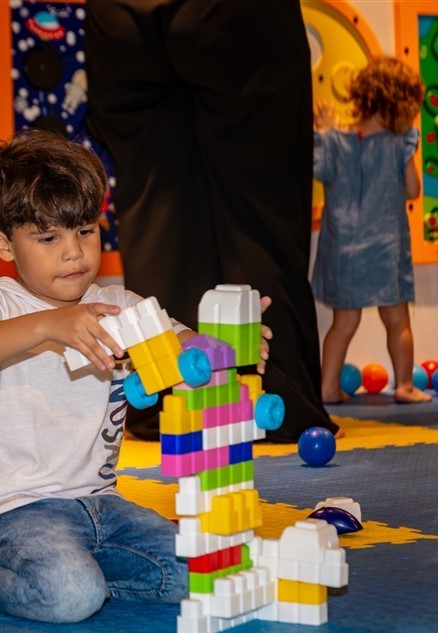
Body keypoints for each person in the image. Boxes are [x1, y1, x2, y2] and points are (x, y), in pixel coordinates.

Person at [0, 129, 273, 623]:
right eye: (49, 238)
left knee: (208, 570)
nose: (74, 253)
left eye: (86, 231)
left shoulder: (120, 304)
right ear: (4, 245)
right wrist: (49, 325)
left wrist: (225, 344)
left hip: (103, 507)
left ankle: (85, 569)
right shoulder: (1, 302)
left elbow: (182, 348)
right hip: (12, 512)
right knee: (72, 596)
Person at [85, 0, 338, 443]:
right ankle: (272, 397)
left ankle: (165, 394)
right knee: (260, 204)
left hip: (121, 13)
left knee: (156, 201)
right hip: (228, 13)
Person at [311, 58, 430, 405]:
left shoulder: (335, 141)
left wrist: (324, 132)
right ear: (400, 107)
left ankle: (327, 387)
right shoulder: (400, 142)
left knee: (343, 324)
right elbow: (412, 190)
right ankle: (405, 386)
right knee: (397, 320)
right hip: (385, 249)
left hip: (344, 250)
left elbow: (319, 170)